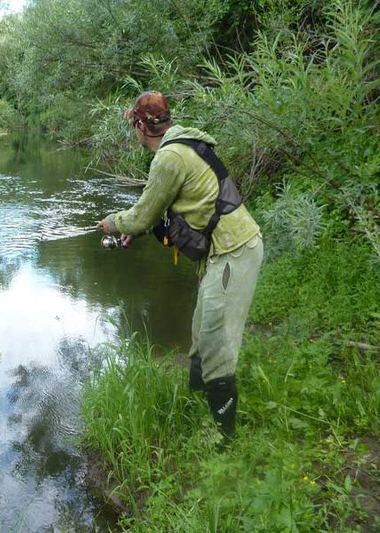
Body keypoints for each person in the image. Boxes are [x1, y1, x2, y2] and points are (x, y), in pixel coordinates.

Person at [97, 91, 263, 442]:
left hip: (234, 251)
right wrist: (138, 232)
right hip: (223, 253)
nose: (135, 133)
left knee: (216, 342)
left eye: (135, 126)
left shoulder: (169, 158)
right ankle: (197, 409)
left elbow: (142, 213)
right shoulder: (183, 143)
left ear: (142, 126)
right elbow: (164, 213)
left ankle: (223, 437)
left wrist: (114, 223)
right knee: (201, 335)